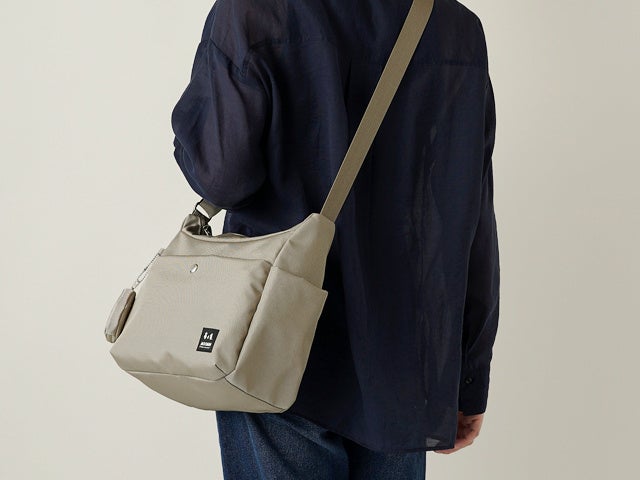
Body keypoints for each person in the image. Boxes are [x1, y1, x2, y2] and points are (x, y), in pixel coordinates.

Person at [171, 0, 500, 477]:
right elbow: (471, 215)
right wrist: (468, 376)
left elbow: (221, 177)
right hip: (402, 355)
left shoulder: (253, 12)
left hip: (274, 339)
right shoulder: (455, 27)